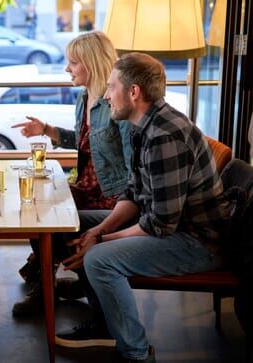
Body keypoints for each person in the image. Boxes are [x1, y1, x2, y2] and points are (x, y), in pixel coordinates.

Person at [54, 52, 231, 363]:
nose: (106, 95)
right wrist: (96, 229)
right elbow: (134, 194)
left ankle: (135, 352)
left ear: (133, 92)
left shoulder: (165, 136)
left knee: (98, 259)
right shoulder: (142, 124)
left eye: (110, 87)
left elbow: (160, 225)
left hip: (199, 242)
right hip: (169, 226)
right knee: (74, 224)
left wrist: (101, 241)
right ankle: (106, 324)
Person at [11, 31, 132, 315]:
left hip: (111, 197)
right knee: (37, 209)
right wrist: (47, 130)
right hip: (88, 187)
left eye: (73, 63)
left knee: (46, 220)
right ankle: (57, 281)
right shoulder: (83, 98)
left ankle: (48, 289)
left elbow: (133, 161)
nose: (67, 68)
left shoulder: (116, 103)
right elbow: (83, 138)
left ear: (91, 63)